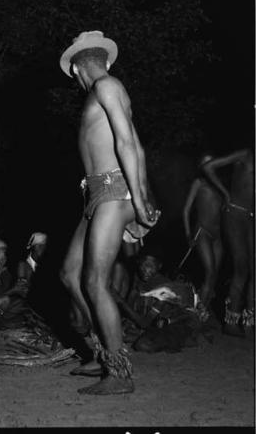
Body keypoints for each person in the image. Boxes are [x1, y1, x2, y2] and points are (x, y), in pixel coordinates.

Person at [58, 30, 159, 395]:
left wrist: (140, 198)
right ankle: (102, 353)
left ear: (74, 70)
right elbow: (137, 144)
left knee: (95, 281)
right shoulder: (101, 91)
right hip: (99, 194)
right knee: (70, 274)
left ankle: (119, 374)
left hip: (115, 191)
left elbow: (128, 143)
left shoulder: (106, 86)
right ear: (104, 59)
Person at [202, 149, 254, 336]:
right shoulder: (245, 155)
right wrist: (225, 193)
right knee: (241, 268)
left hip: (251, 218)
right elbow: (209, 167)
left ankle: (249, 323)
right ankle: (231, 321)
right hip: (234, 214)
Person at [182, 154, 224, 309]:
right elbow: (186, 210)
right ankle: (197, 313)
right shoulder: (198, 182)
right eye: (205, 162)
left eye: (212, 161)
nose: (209, 165)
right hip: (202, 232)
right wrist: (188, 234)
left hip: (218, 236)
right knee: (210, 272)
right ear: (200, 167)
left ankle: (202, 309)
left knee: (214, 276)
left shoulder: (221, 186)